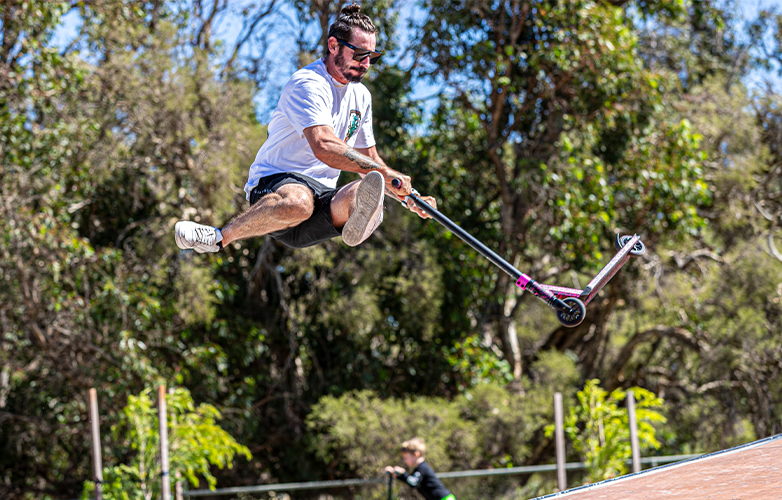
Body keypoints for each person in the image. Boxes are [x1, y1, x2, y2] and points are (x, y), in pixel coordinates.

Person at [174, 3, 436, 253]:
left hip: (321, 201)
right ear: (333, 46)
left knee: (366, 187)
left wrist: (409, 197)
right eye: (359, 55)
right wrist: (382, 171)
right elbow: (323, 145)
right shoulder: (308, 83)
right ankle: (221, 237)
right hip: (277, 184)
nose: (366, 64)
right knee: (300, 201)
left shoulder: (362, 97)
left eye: (372, 57)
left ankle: (362, 218)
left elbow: (370, 160)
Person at [384, 438, 455, 500]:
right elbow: (410, 480)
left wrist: (403, 473)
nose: (405, 460)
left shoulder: (422, 468)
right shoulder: (418, 469)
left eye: (406, 457)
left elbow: (413, 482)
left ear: (416, 454)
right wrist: (398, 475)